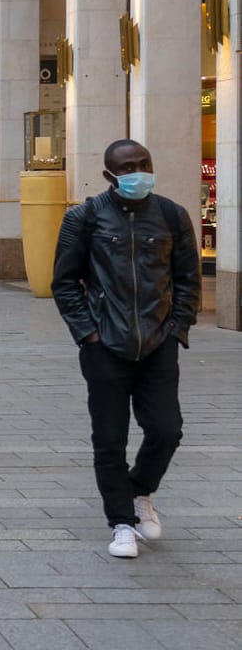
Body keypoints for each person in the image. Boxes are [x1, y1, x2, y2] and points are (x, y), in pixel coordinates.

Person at [52, 139, 198, 559]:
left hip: (158, 344)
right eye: (128, 166)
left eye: (143, 163)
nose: (138, 171)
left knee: (166, 429)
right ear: (109, 176)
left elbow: (187, 277)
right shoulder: (85, 217)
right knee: (110, 440)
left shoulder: (172, 215)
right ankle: (121, 523)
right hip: (105, 345)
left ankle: (140, 491)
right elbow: (64, 281)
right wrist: (88, 333)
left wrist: (177, 328)